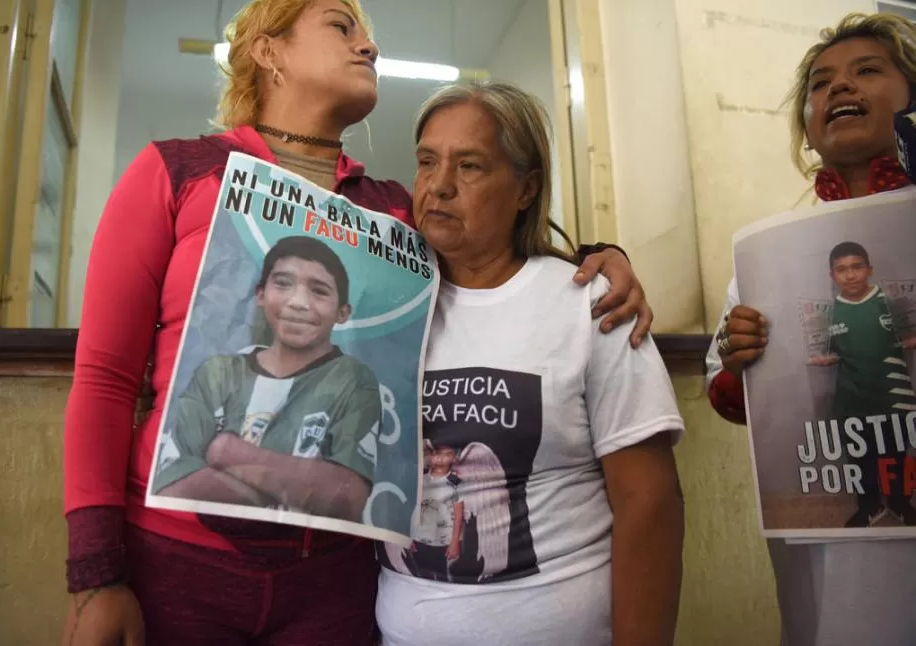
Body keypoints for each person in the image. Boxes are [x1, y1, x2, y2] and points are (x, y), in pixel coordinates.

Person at [61, 1, 656, 644]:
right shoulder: (176, 173)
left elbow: (496, 257)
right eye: (343, 26)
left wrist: (600, 259)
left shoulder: (395, 213)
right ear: (269, 50)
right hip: (180, 561)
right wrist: (96, 575)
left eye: (368, 33)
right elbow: (103, 379)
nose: (368, 45)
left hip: (338, 578)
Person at [375, 82, 685, 646]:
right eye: (426, 162)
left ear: (526, 189)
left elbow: (650, 502)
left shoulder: (590, 304)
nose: (439, 186)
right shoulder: (385, 307)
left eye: (470, 166)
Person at [707, 12, 916, 646]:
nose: (841, 88)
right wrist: (741, 359)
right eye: (821, 84)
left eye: (868, 70)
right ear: (806, 124)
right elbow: (732, 399)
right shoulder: (772, 253)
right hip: (832, 569)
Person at [152, 236, 381, 522]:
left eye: (319, 291)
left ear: (342, 312)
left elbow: (346, 498)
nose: (298, 302)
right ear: (260, 295)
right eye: (283, 283)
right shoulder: (218, 373)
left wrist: (229, 453)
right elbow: (172, 487)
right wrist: (288, 489)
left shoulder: (353, 380)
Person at [807, 241, 916, 527]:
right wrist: (825, 359)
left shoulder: (891, 303)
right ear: (832, 276)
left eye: (857, 267)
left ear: (869, 269)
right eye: (841, 270)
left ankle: (900, 503)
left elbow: (908, 335)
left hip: (894, 397)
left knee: (896, 456)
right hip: (852, 401)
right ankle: (868, 507)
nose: (851, 275)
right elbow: (827, 350)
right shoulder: (828, 315)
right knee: (861, 459)